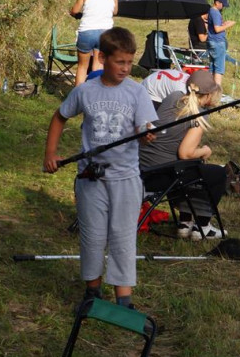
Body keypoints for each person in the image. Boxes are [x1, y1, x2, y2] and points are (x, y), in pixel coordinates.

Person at [43, 27, 158, 308]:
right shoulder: (85, 91)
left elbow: (145, 126)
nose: (126, 68)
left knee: (123, 237)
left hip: (126, 178)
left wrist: (146, 132)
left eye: (130, 63)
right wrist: (50, 153)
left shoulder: (137, 93)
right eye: (120, 62)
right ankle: (92, 292)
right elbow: (59, 117)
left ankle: (123, 299)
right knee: (92, 235)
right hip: (90, 178)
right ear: (102, 58)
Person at [139, 70, 228, 240]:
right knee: (216, 173)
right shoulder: (200, 116)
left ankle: (185, 223)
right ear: (208, 95)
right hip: (158, 177)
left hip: (140, 167)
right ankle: (203, 226)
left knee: (188, 167)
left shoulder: (173, 97)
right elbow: (186, 153)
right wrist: (205, 151)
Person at [70, 0, 118, 87]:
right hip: (105, 32)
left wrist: (76, 13)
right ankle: (95, 94)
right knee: (98, 66)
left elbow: (75, 11)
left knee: (82, 66)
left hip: (87, 30)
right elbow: (115, 11)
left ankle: (78, 97)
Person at [207, 0, 235, 87]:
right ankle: (216, 92)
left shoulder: (212, 11)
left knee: (212, 67)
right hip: (218, 42)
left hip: (213, 41)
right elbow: (217, 29)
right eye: (222, 4)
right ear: (217, 2)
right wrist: (229, 25)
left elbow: (216, 26)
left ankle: (210, 89)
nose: (223, 7)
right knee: (219, 69)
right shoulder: (215, 12)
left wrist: (223, 24)